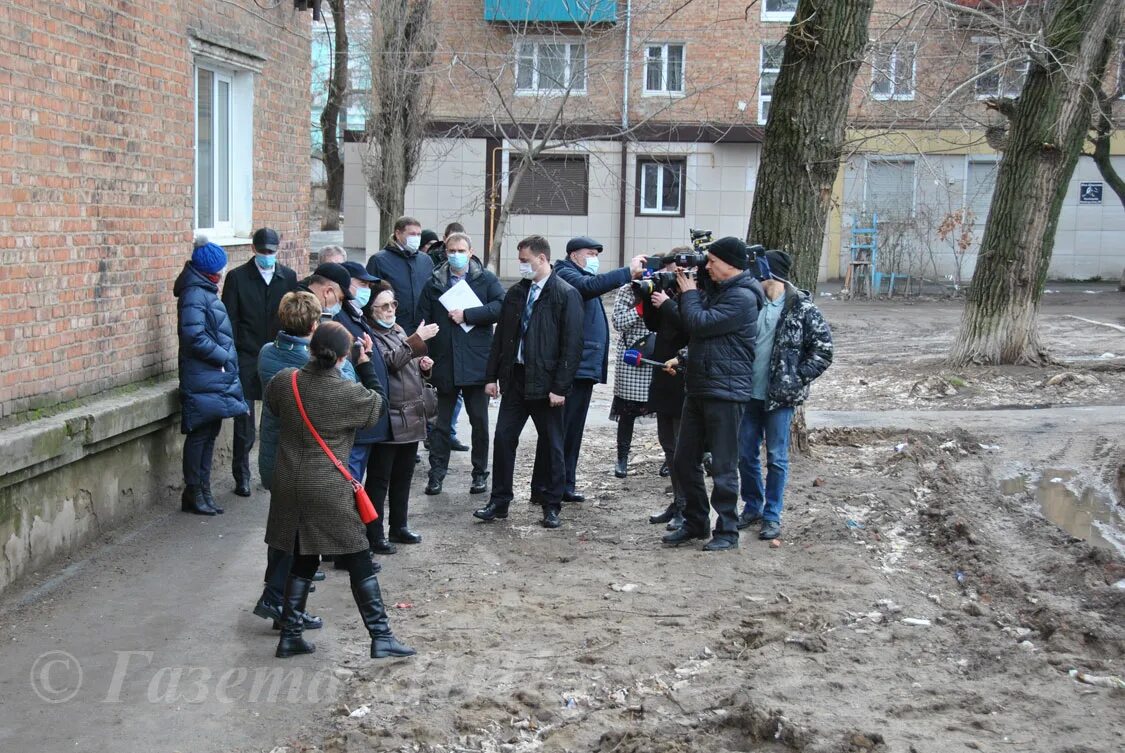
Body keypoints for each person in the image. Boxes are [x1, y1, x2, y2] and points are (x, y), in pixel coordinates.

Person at [264, 321, 413, 660]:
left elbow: (274, 407)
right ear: (343, 356)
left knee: (303, 555)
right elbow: (377, 407)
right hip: (328, 487)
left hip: (288, 484)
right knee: (359, 556)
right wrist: (365, 365)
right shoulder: (346, 393)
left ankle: (289, 636)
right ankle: (382, 636)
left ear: (311, 349)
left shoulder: (285, 382)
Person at [253, 291, 354, 631]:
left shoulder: (269, 354)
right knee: (299, 537)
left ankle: (281, 603)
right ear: (315, 325)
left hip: (274, 457)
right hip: (303, 461)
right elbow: (345, 389)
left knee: (283, 530)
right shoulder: (309, 366)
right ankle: (279, 600)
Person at [661, 237, 764, 552]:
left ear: (732, 264)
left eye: (712, 262)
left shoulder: (744, 297)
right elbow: (702, 335)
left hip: (727, 391)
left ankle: (727, 531)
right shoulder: (719, 291)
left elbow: (699, 324)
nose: (706, 267)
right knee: (683, 460)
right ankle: (696, 523)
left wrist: (690, 293)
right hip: (700, 386)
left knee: (722, 466)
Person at [474, 235, 582, 529]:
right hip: (516, 380)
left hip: (547, 385)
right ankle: (499, 501)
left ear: (542, 259)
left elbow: (571, 346)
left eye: (525, 261)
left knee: (552, 445)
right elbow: (501, 338)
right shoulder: (517, 294)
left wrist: (560, 387)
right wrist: (491, 376)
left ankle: (551, 504)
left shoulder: (564, 294)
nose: (521, 266)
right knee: (504, 439)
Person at [736, 250, 833, 541]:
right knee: (744, 455)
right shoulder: (750, 303)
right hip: (747, 394)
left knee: (777, 458)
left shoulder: (802, 308)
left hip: (780, 399)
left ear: (770, 273)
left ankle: (772, 516)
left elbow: (823, 351)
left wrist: (795, 379)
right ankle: (753, 506)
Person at [552, 237, 645, 502]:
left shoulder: (578, 275)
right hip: (574, 367)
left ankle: (567, 483)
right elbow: (589, 286)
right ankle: (557, 485)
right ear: (573, 255)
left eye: (596, 254)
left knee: (574, 430)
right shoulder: (567, 274)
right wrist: (628, 272)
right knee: (565, 429)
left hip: (584, 367)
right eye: (590, 253)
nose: (594, 258)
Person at [417, 231, 504, 496]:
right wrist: (423, 353)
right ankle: (437, 474)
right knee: (440, 424)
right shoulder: (434, 282)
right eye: (451, 251)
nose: (455, 255)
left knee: (479, 422)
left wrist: (469, 314)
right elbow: (422, 319)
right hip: (444, 363)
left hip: (477, 362)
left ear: (470, 251)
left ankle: (479, 474)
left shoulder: (485, 279)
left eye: (460, 250)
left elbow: (502, 306)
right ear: (445, 252)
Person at [174, 238, 249, 516]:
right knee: (199, 435)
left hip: (211, 378)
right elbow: (193, 336)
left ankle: (203, 489)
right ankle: (194, 490)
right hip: (203, 376)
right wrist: (222, 356)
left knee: (209, 433)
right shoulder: (195, 293)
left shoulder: (204, 290)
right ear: (211, 269)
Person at [221, 227, 298, 496]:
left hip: (277, 353)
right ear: (253, 249)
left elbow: (292, 316)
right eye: (263, 251)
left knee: (279, 415)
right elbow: (229, 318)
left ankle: (278, 471)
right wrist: (230, 353)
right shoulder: (237, 277)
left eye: (272, 251)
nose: (268, 256)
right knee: (244, 419)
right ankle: (241, 475)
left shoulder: (287, 277)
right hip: (246, 353)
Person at [366, 285, 439, 550]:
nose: (390, 310)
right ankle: (374, 535)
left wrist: (422, 367)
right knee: (379, 480)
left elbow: (405, 364)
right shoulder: (370, 334)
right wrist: (416, 339)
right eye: (383, 306)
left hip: (411, 413)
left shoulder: (397, 330)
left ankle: (399, 526)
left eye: (393, 304)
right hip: (390, 415)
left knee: (403, 476)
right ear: (371, 310)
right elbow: (390, 363)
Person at [642, 253, 690, 530]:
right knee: (667, 444)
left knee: (681, 448)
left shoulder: (694, 295)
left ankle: (686, 506)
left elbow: (692, 326)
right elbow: (653, 325)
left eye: (677, 270)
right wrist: (650, 297)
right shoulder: (668, 292)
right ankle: (677, 501)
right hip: (663, 374)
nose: (673, 275)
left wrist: (670, 303)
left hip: (682, 376)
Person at [609, 282, 655, 479]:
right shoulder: (628, 290)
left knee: (666, 412)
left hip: (658, 355)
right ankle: (622, 458)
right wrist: (639, 308)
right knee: (627, 413)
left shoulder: (670, 289)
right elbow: (618, 323)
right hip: (632, 357)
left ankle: (670, 459)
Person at [366, 216, 434, 335]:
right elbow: (370, 297)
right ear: (398, 233)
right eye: (412, 234)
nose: (417, 238)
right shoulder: (379, 261)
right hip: (391, 329)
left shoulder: (426, 261)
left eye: (419, 234)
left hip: (422, 328)